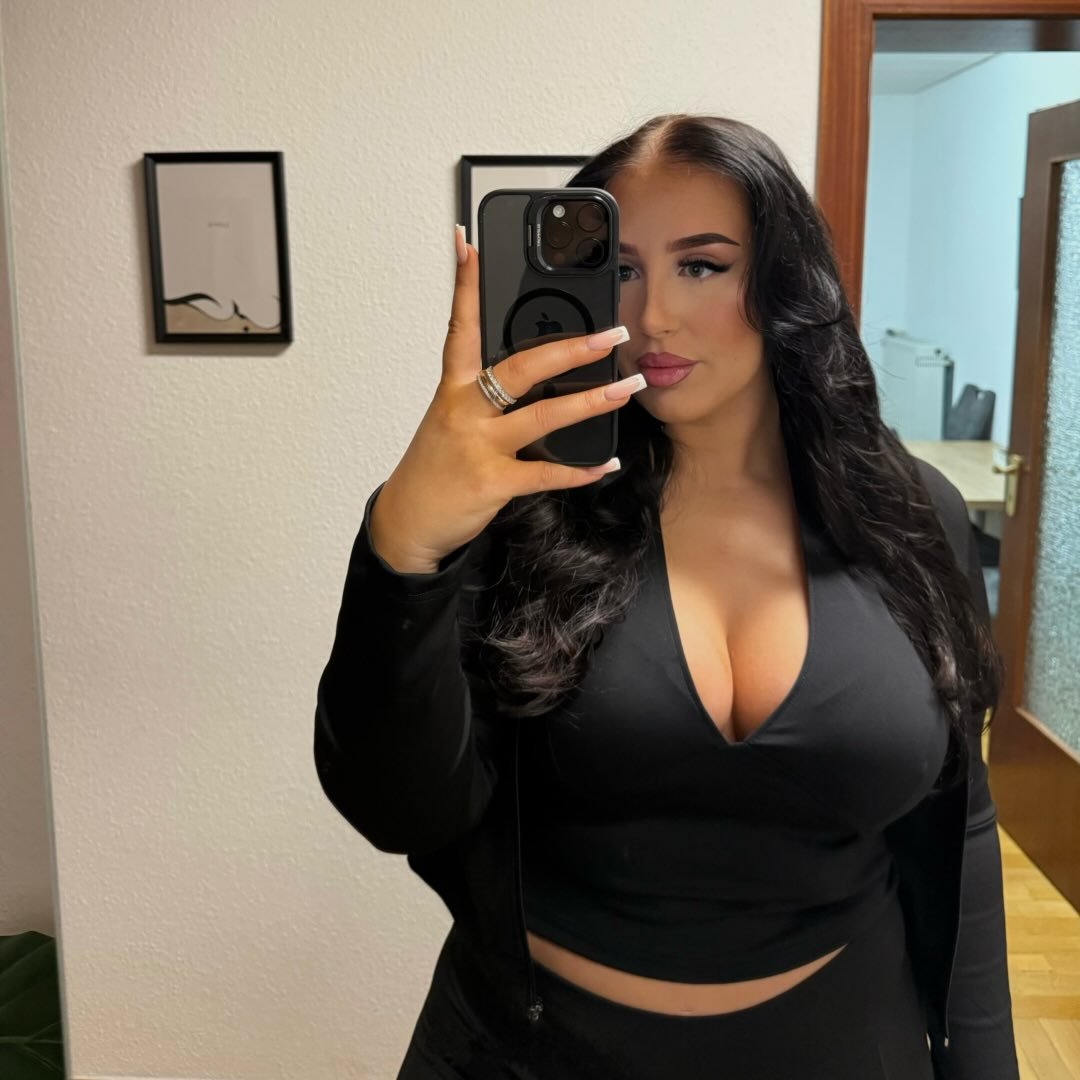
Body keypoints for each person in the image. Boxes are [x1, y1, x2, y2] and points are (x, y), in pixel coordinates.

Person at [313, 114, 1019, 1079]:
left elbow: (960, 816)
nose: (652, 319)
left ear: (784, 281)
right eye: (620, 268)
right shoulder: (520, 509)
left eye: (702, 265)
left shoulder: (909, 515)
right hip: (525, 1055)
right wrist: (404, 542)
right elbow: (400, 810)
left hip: (848, 1045)